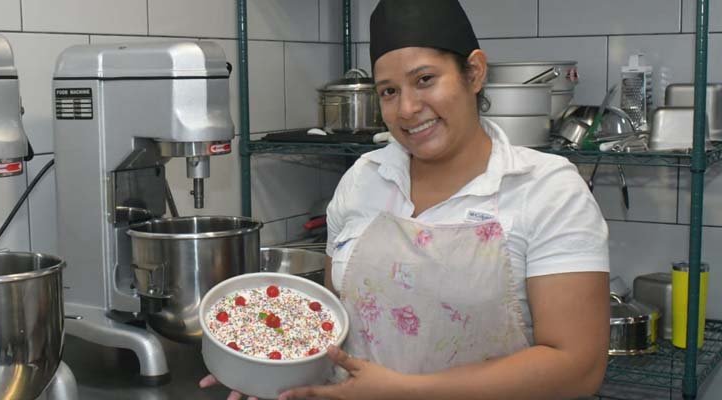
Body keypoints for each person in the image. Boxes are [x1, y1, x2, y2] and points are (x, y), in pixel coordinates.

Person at [201, 1, 609, 398]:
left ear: (474, 72)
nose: (408, 108)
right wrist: (265, 368)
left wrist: (405, 392)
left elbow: (577, 367)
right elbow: (337, 333)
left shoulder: (547, 190)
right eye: (389, 91)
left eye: (425, 80)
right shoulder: (364, 179)